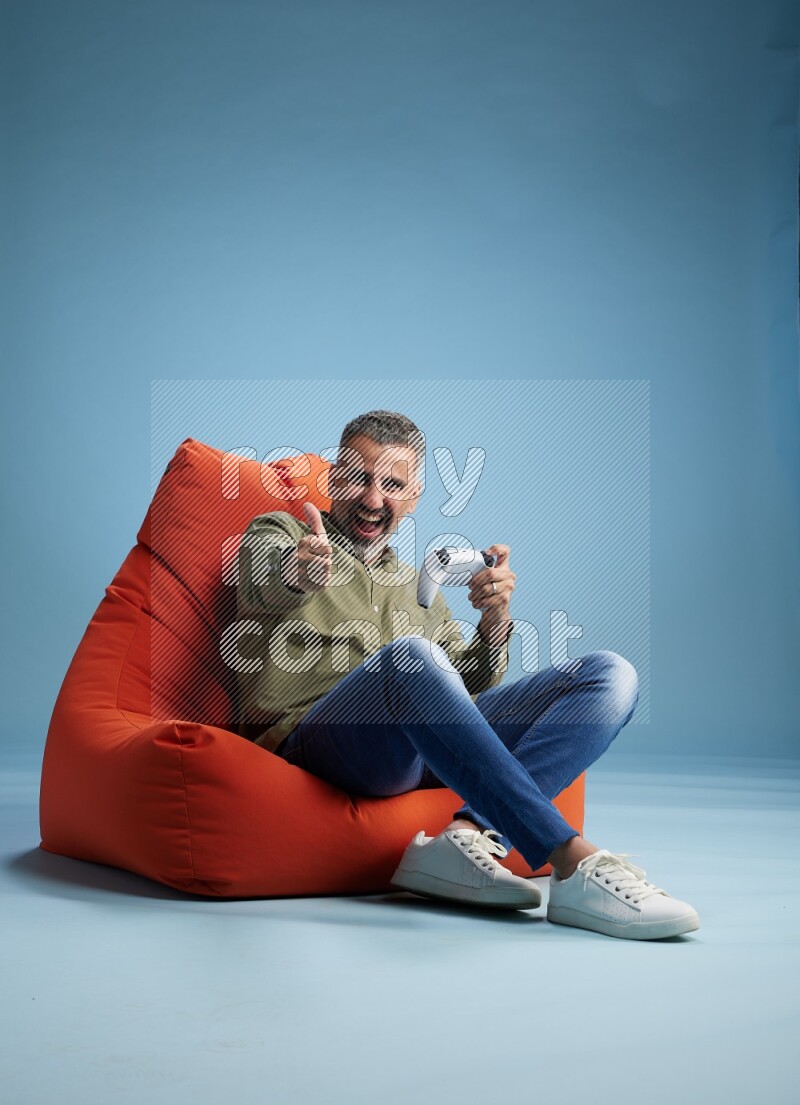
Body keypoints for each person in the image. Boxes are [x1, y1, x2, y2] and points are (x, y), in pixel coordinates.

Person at [235, 409, 700, 940]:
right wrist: (298, 571)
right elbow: (259, 582)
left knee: (608, 675)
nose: (372, 499)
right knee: (414, 658)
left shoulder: (417, 585)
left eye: (392, 485)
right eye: (360, 478)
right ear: (335, 478)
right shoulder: (284, 533)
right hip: (317, 742)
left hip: (417, 752)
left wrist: (494, 622)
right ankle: (571, 860)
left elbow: (466, 691)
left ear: (412, 497)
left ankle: (465, 835)